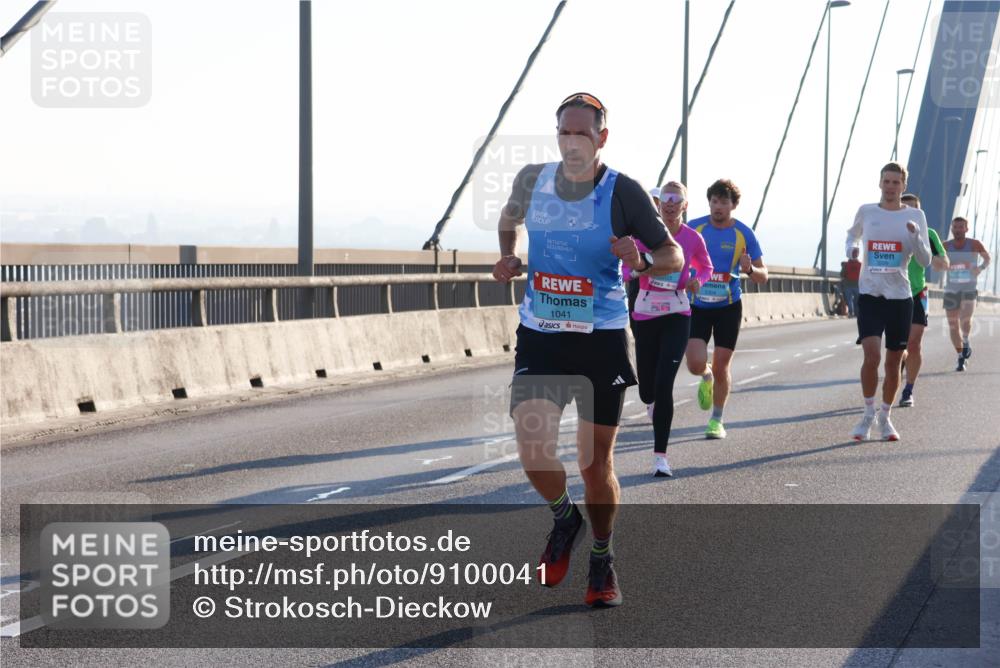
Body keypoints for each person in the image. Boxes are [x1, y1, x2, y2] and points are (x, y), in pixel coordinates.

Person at [492, 92, 682, 607]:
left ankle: (602, 555)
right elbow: (508, 220)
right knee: (533, 451)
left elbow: (673, 254)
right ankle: (564, 518)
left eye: (582, 133)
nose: (572, 142)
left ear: (602, 138)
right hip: (541, 332)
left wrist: (641, 261)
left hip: (600, 336)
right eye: (564, 132)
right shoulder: (532, 180)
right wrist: (509, 257)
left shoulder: (623, 192)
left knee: (594, 466)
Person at [624, 182, 712, 476]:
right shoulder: (643, 235)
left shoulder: (692, 238)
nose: (671, 204)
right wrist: (634, 270)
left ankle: (660, 458)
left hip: (677, 311)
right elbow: (624, 267)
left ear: (685, 205)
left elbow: (706, 267)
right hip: (646, 311)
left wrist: (698, 280)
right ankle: (651, 404)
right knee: (646, 389)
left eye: (677, 199)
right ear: (658, 204)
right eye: (666, 199)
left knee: (664, 386)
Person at [845, 163, 930, 441]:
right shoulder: (867, 211)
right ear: (880, 183)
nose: (891, 187)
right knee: (871, 357)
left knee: (893, 364)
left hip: (900, 298)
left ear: (903, 186)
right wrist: (852, 249)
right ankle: (867, 414)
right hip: (871, 295)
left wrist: (915, 237)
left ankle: (885, 416)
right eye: (887, 181)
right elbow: (852, 234)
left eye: (896, 182)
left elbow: (925, 260)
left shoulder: (916, 215)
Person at [685, 179, 768, 439]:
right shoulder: (694, 228)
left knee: (723, 366)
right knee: (695, 363)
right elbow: (675, 256)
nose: (717, 206)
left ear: (733, 205)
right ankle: (705, 375)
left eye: (723, 202)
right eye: (714, 201)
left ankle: (717, 420)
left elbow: (763, 275)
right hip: (697, 305)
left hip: (728, 306)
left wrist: (749, 269)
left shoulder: (744, 234)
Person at [898, 192, 948, 407]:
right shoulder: (890, 230)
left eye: (915, 210)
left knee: (914, 343)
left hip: (918, 292)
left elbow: (943, 260)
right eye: (906, 209)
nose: (911, 214)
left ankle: (908, 390)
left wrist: (938, 261)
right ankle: (899, 367)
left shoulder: (929, 234)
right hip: (893, 294)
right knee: (897, 347)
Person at [943, 216, 991, 371]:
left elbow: (987, 258)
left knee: (965, 319)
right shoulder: (945, 245)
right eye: (955, 227)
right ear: (952, 229)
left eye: (961, 227)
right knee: (953, 325)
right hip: (951, 289)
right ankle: (960, 356)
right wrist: (941, 264)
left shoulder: (974, 244)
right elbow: (936, 260)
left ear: (966, 229)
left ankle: (965, 340)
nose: (958, 230)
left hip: (969, 288)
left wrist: (980, 268)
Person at [840, 248, 862, 317]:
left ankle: (851, 312)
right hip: (857, 285)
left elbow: (842, 274)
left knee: (849, 300)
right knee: (856, 301)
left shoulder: (846, 265)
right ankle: (856, 313)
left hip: (848, 285)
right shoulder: (860, 265)